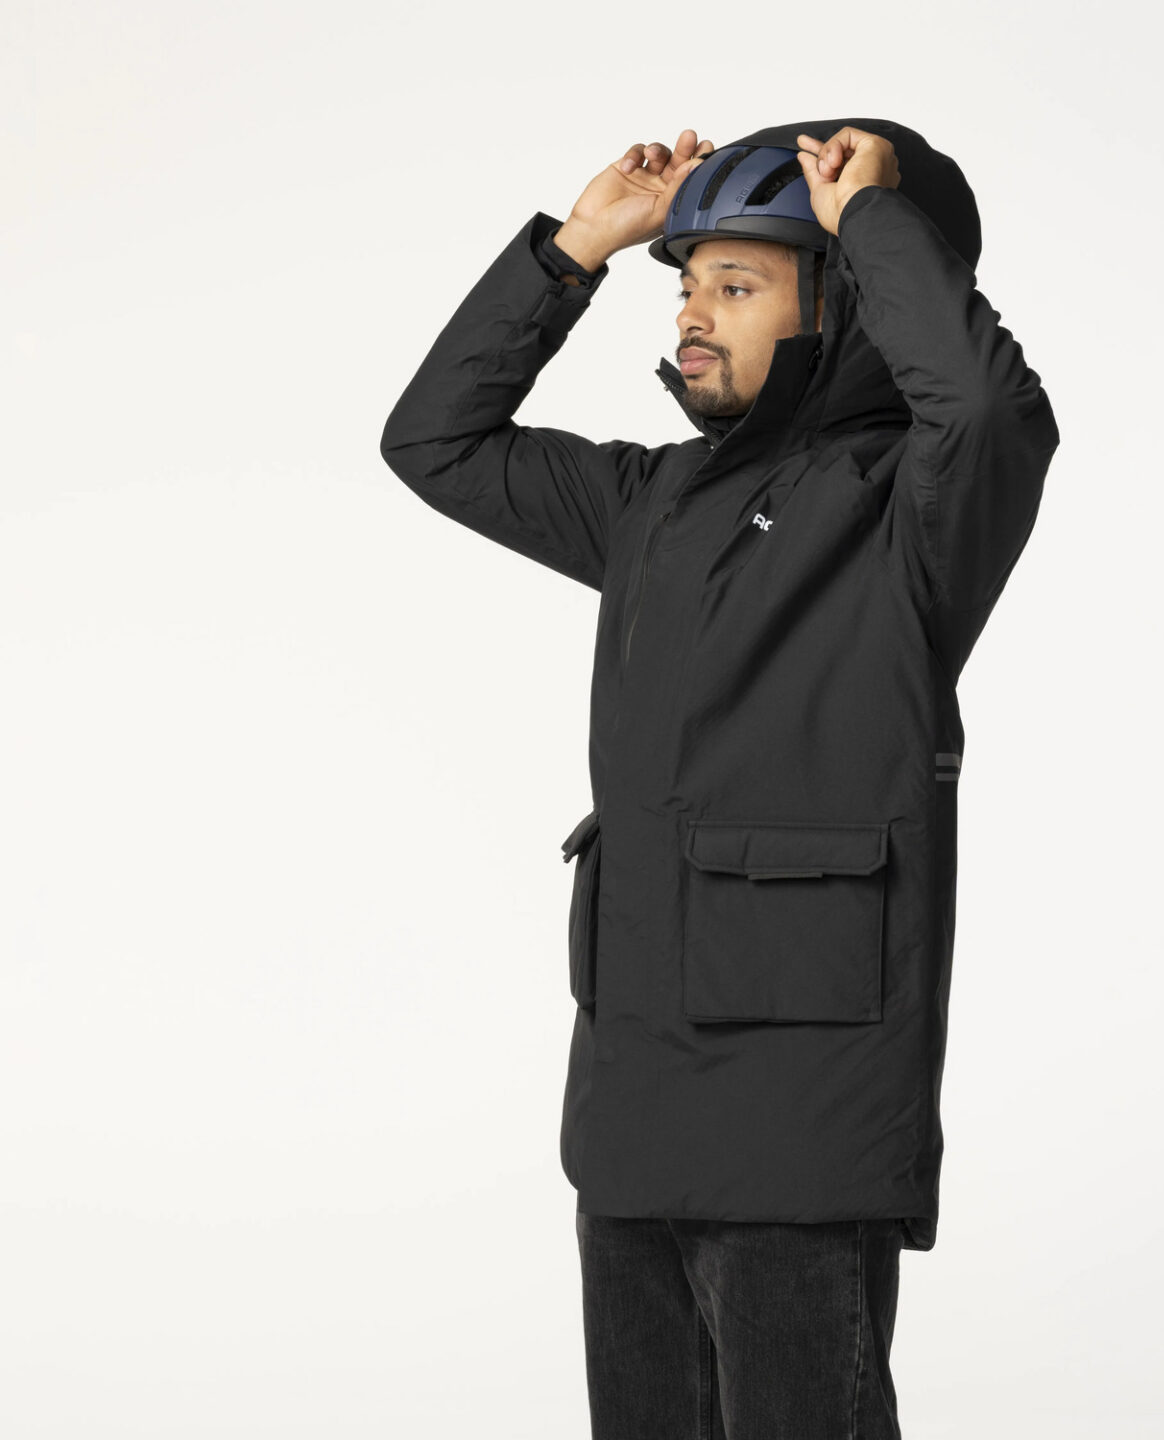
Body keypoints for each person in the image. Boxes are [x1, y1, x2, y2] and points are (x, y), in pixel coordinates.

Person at [380, 116, 1060, 1439]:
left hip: (800, 1129)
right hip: (630, 1116)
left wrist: (873, 222)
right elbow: (435, 443)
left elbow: (985, 407)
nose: (693, 316)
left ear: (848, 306)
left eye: (737, 286)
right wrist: (575, 250)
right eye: (688, 286)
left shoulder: (912, 512)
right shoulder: (652, 501)